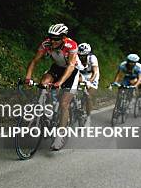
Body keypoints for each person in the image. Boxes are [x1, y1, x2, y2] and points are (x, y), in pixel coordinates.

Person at [25, 23, 80, 151]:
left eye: (56, 39)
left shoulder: (71, 45)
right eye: (51, 37)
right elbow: (34, 61)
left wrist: (59, 83)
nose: (53, 41)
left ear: (63, 38)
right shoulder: (47, 44)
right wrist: (28, 78)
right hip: (57, 68)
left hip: (71, 72)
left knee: (64, 104)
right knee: (43, 83)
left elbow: (71, 66)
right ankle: (44, 110)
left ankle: (60, 136)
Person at [76, 43, 99, 126]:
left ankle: (88, 117)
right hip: (81, 74)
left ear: (88, 54)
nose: (81, 57)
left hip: (91, 75)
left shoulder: (92, 58)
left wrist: (90, 81)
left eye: (84, 55)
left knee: (88, 96)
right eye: (79, 55)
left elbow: (95, 71)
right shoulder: (76, 57)